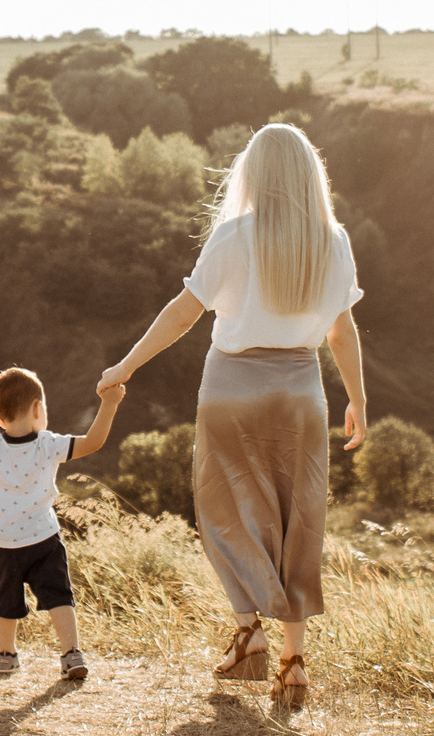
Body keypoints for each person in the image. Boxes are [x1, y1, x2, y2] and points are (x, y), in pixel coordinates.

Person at [96, 123, 367, 702]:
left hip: (231, 390)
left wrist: (125, 366)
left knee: (227, 513)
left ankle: (249, 632)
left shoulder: (235, 235)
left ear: (255, 173)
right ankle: (293, 663)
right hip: (301, 392)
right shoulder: (333, 241)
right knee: (299, 522)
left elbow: (183, 313)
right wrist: (358, 400)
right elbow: (341, 333)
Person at [0, 365, 127, 681]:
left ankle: (7, 655)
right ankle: (71, 653)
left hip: (1, 541)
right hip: (43, 538)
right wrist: (110, 404)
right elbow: (92, 442)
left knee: (5, 597)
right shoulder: (48, 444)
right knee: (58, 594)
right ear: (38, 409)